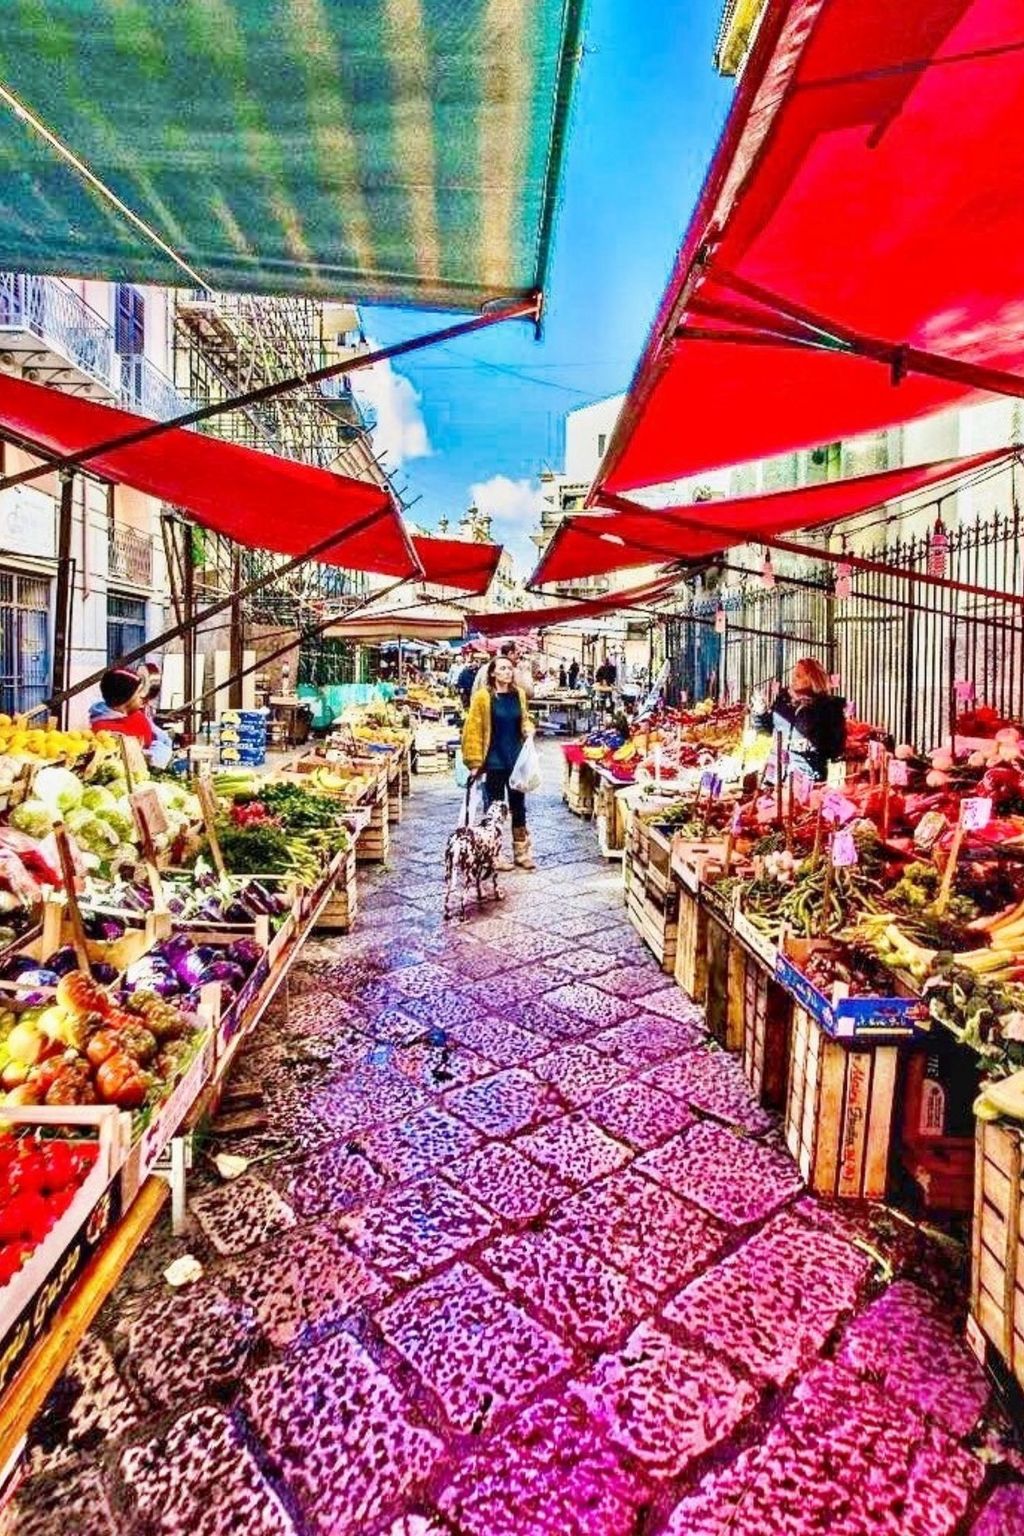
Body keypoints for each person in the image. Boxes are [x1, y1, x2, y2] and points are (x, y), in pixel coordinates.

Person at [461, 655, 537, 870]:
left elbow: (523, 719)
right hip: (493, 761)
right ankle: (494, 853)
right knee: (495, 808)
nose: (508, 672)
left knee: (518, 806)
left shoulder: (518, 695)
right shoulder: (483, 698)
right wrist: (474, 762)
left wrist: (528, 728)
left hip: (516, 760)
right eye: (502, 668)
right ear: (492, 673)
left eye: (510, 668)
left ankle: (521, 852)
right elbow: (472, 730)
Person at [751, 657, 846, 783]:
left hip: (805, 775)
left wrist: (808, 744)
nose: (793, 679)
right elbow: (767, 731)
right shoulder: (784, 700)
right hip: (775, 775)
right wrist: (760, 713)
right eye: (794, 675)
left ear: (813, 678)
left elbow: (835, 748)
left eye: (799, 676)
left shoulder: (828, 707)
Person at [89, 668, 156, 751]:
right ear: (127, 697)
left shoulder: (137, 716)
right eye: (139, 692)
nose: (143, 697)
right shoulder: (103, 730)